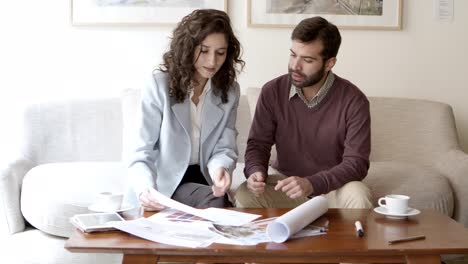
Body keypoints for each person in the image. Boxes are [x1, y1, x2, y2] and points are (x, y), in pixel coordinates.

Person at [235, 16, 373, 209]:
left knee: (358, 195)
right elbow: (258, 144)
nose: (295, 66)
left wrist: (312, 183)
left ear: (329, 63)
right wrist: (255, 171)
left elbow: (356, 163)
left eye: (307, 60)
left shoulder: (354, 100)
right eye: (293, 55)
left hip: (334, 187)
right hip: (286, 184)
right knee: (244, 194)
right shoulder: (272, 91)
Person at [127, 9, 245, 211]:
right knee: (216, 204)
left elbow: (224, 147)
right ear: (188, 48)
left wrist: (220, 169)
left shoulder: (229, 91)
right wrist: (145, 189)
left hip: (205, 179)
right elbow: (141, 152)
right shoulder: (159, 86)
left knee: (217, 201)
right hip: (165, 184)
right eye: (204, 50)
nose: (212, 61)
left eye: (220, 53)